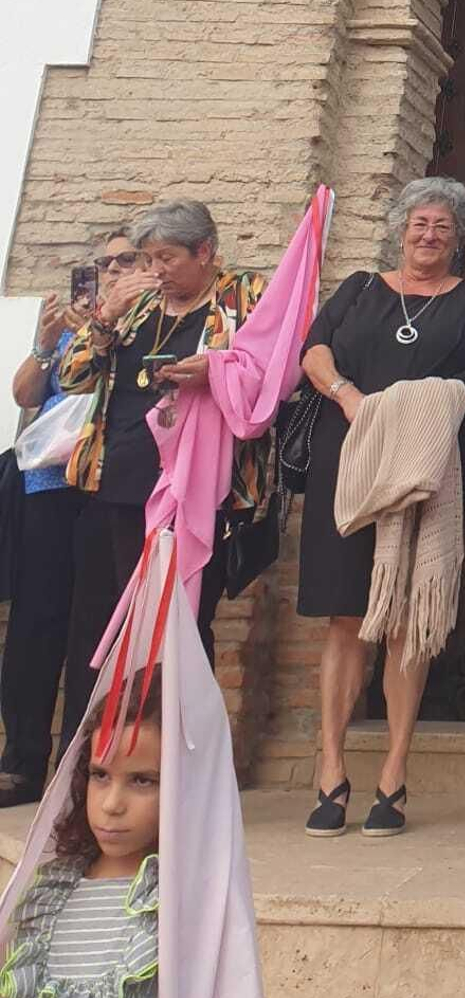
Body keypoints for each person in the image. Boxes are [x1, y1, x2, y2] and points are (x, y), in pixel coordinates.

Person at [295, 177, 465, 839]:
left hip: (422, 472)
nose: (429, 234)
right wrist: (352, 396)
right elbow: (314, 348)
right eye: (419, 222)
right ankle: (330, 770)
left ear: (460, 236)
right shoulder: (360, 288)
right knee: (344, 617)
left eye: (444, 225)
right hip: (350, 461)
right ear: (399, 228)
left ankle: (393, 770)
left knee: (405, 621)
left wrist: (414, 413)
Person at [56, 203, 267, 749]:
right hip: (120, 479)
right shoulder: (138, 302)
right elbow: (73, 377)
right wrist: (103, 316)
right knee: (112, 625)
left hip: (198, 486)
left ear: (205, 251)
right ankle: (106, 756)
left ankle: (182, 753)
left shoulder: (244, 295)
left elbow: (272, 374)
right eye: (149, 258)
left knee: (183, 623)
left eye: (167, 257)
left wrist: (215, 371)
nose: (156, 269)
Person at [0, 235, 139, 812]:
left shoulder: (146, 319)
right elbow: (26, 395)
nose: (112, 270)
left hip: (108, 486)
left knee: (95, 629)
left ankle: (80, 766)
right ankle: (21, 760)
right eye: (105, 263)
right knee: (35, 625)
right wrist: (44, 344)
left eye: (125, 260)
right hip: (48, 488)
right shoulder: (72, 329)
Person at [0, 668, 161, 998]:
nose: (111, 803)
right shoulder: (53, 893)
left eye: (142, 781)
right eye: (100, 775)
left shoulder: (170, 901)